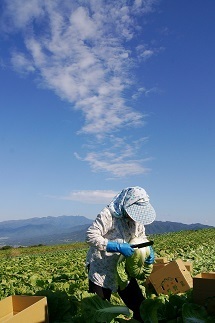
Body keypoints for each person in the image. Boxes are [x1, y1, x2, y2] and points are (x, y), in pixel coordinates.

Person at [85, 186, 156, 322]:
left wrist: (147, 249)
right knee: (99, 309)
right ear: (126, 204)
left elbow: (141, 236)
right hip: (101, 268)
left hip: (122, 268)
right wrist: (115, 246)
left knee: (139, 306)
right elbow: (90, 235)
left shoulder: (137, 221)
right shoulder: (108, 214)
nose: (134, 217)